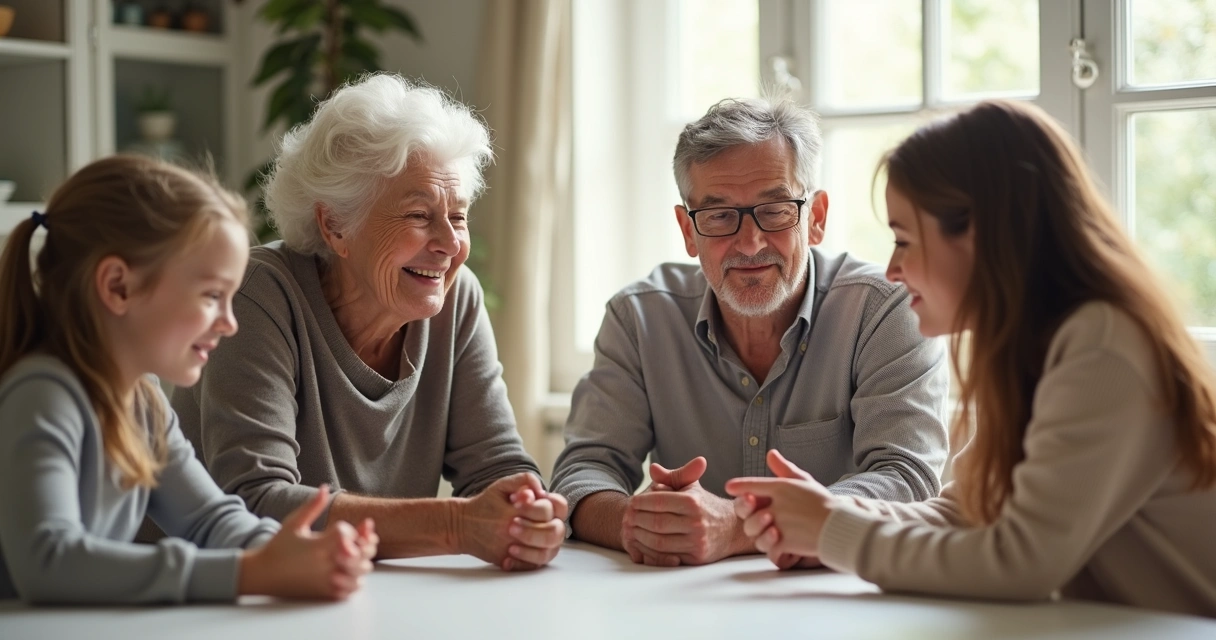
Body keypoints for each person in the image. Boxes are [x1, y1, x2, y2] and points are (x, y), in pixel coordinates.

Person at [727, 100, 1216, 617]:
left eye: (904, 240)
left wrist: (831, 531)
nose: (892, 270)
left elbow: (1023, 561)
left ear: (979, 233)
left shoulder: (1101, 347)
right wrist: (829, 516)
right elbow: (966, 511)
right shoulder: (1035, 350)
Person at [172, 74, 565, 571]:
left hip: (364, 593)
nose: (448, 243)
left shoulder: (454, 297)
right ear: (336, 225)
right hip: (208, 601)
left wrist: (528, 512)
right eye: (419, 215)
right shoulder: (259, 294)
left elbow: (497, 465)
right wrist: (457, 526)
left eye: (459, 216)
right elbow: (257, 505)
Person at [550, 96, 950, 567]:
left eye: (776, 209)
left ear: (815, 218)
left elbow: (907, 477)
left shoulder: (884, 310)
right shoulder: (639, 319)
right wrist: (640, 522)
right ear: (687, 230)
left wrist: (736, 526)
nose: (750, 242)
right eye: (719, 216)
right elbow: (582, 472)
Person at [0, 155, 376, 604]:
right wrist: (249, 574)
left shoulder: (143, 404)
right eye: (212, 296)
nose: (229, 323)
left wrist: (292, 551)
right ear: (119, 287)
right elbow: (48, 562)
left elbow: (209, 519)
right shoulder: (42, 396)